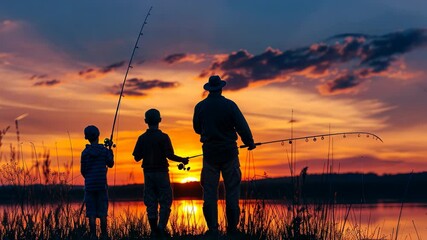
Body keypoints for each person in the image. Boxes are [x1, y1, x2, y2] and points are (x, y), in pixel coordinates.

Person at [193, 75, 256, 237]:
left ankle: (213, 229)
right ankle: (232, 229)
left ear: (208, 89)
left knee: (209, 193)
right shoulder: (230, 105)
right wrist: (249, 142)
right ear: (221, 88)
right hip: (230, 154)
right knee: (232, 191)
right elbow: (242, 126)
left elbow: (197, 129)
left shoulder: (200, 107)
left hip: (209, 155)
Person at [132, 108, 189, 237]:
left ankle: (154, 231)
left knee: (150, 202)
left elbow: (136, 157)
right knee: (165, 201)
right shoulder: (164, 137)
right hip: (162, 173)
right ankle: (161, 229)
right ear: (160, 120)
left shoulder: (142, 138)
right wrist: (183, 160)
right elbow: (170, 155)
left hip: (148, 174)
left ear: (146, 121)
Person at [80, 125, 114, 240]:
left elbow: (83, 171)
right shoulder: (104, 151)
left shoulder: (85, 153)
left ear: (87, 138)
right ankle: (104, 235)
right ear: (98, 135)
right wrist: (110, 151)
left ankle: (93, 235)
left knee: (91, 214)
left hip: (89, 187)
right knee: (103, 212)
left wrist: (89, 178)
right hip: (101, 186)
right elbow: (110, 163)